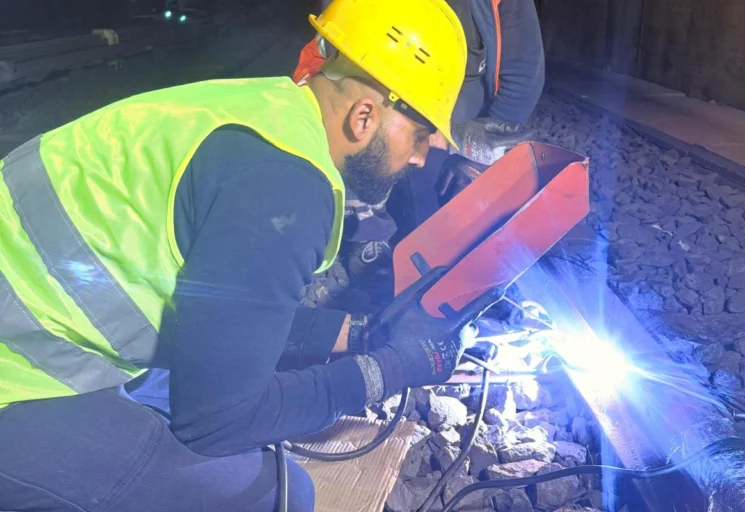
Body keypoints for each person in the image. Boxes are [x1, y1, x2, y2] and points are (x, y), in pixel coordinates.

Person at [0, 0, 502, 510]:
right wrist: (388, 370)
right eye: (420, 134)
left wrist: (365, 334)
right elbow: (217, 423)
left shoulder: (263, 112)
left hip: (28, 332)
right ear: (365, 115)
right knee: (273, 494)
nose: (420, 156)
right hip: (14, 382)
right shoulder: (285, 185)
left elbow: (223, 314)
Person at [294, 0, 546, 275]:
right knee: (365, 157)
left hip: (454, 109)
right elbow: (325, 88)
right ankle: (367, 227)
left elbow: (523, 72)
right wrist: (448, 139)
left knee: (440, 220)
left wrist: (482, 150)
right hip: (386, 104)